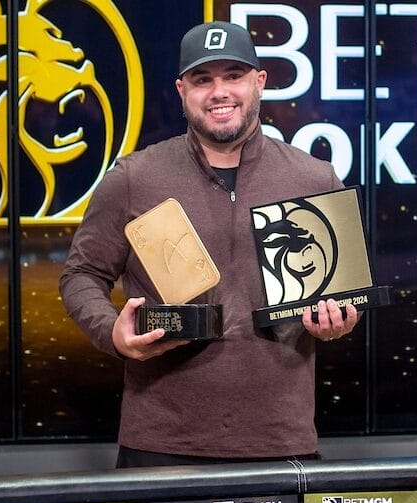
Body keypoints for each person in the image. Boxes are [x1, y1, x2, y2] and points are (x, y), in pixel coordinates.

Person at [59, 21, 359, 468]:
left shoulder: (315, 178)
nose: (219, 92)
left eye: (233, 76)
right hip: (160, 443)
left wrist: (339, 319)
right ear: (183, 90)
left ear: (259, 82)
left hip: (280, 442)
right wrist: (112, 333)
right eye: (203, 79)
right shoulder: (133, 178)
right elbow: (81, 275)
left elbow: (342, 293)